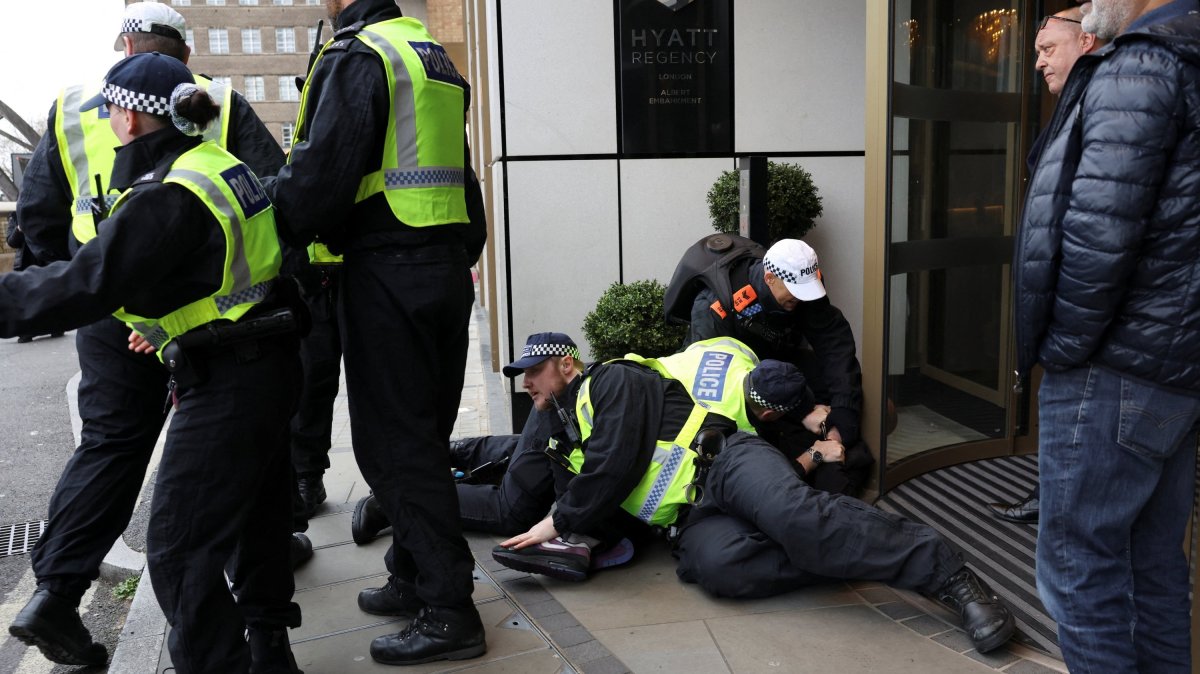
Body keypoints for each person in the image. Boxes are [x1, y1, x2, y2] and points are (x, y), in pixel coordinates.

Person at [5, 3, 303, 668]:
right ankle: (266, 636)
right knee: (247, 489)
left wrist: (129, 304)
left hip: (182, 329)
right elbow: (278, 210)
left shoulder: (160, 187)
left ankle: (57, 593)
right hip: (203, 323)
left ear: (131, 112)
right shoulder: (212, 146)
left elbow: (48, 236)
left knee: (170, 529)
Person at [492, 337, 1016, 653]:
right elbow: (602, 500)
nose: (525, 385)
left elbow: (613, 464)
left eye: (532, 373)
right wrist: (568, 547)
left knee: (796, 515)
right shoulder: (568, 436)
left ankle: (950, 576)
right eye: (520, 380)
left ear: (566, 364)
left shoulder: (609, 381)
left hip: (725, 460)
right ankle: (840, 543)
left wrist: (557, 522)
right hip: (692, 520)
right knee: (724, 571)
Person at [264, 0, 488, 666]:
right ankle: (412, 575)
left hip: (389, 267)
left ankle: (450, 610)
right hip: (444, 269)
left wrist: (276, 240)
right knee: (420, 434)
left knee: (394, 448)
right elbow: (463, 177)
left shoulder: (360, 56)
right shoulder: (430, 56)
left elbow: (316, 179)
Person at [1014, 0, 1200, 671]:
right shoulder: (1181, 57)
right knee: (1153, 569)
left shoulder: (1142, 61)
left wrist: (1063, 351)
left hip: (1114, 365)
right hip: (1172, 368)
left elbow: (1099, 235)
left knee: (1078, 572)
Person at [987, 4, 1103, 525]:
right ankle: (1050, 495)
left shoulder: (1105, 101)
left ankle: (1056, 503)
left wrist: (1064, 339)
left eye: (1046, 49)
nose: (1037, 63)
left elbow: (1100, 236)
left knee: (1079, 545)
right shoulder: (1079, 99)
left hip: (1083, 336)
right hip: (1067, 329)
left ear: (1088, 42)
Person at [670, 236, 869, 493]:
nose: (801, 299)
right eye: (795, 293)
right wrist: (803, 410)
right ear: (769, 278)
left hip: (778, 361)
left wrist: (843, 418)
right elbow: (713, 385)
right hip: (730, 380)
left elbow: (835, 345)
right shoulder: (715, 306)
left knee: (834, 387)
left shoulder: (803, 285)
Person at [4, 213, 63, 343]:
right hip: (25, 263)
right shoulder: (14, 217)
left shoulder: (40, 212)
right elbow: (12, 242)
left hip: (44, 260)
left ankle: (55, 326)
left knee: (49, 296)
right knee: (25, 299)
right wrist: (19, 228)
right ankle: (27, 331)